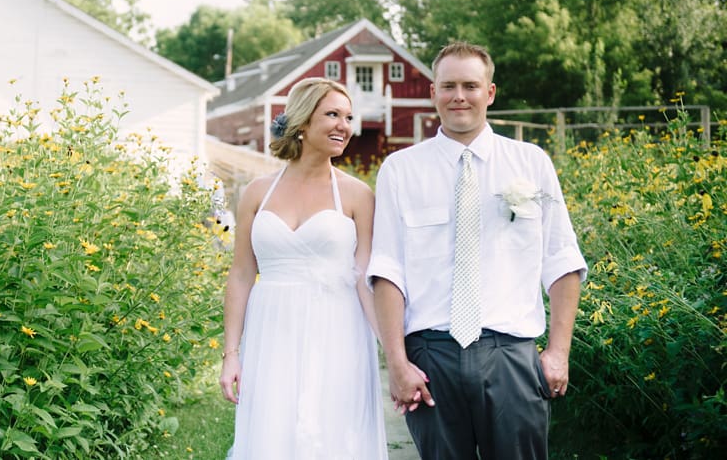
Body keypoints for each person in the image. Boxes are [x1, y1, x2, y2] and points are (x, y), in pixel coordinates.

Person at [368, 41, 587, 459]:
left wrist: (558, 352)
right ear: (433, 93)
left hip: (512, 356)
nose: (459, 96)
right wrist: (397, 363)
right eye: (448, 86)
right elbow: (387, 271)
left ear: (490, 92)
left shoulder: (531, 162)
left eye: (471, 85)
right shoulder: (400, 169)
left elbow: (561, 261)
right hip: (431, 358)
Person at [220, 78, 387, 459]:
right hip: (271, 332)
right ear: (302, 122)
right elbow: (242, 275)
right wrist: (232, 354)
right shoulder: (257, 192)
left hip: (337, 330)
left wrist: (396, 355)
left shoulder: (358, 195)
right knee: (272, 433)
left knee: (333, 434)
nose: (344, 126)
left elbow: (365, 281)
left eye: (348, 117)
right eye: (332, 114)